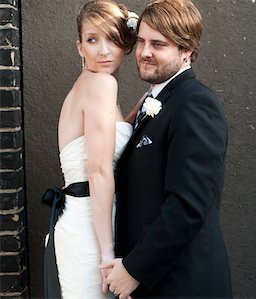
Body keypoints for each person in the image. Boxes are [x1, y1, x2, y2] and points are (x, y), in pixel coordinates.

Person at [100, 0, 233, 298]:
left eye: (158, 44)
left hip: (181, 283)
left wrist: (135, 268)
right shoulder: (156, 101)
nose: (145, 52)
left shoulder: (196, 104)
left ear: (186, 50)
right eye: (142, 41)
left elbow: (188, 206)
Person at [41, 1, 138, 297]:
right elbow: (97, 168)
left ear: (126, 44)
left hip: (85, 219)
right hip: (91, 230)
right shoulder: (100, 85)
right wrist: (107, 252)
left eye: (112, 39)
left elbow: (108, 137)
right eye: (92, 40)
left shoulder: (93, 84)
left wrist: (138, 112)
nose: (103, 50)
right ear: (80, 47)